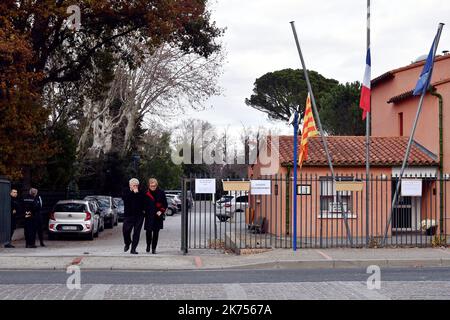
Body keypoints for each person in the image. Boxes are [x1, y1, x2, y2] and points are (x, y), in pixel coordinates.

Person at [122, 178, 146, 254]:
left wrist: (137, 193)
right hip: (129, 215)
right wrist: (132, 192)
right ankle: (127, 242)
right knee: (126, 230)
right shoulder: (126, 191)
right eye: (133, 185)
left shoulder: (141, 192)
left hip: (139, 215)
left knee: (136, 232)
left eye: (136, 185)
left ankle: (133, 249)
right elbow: (126, 199)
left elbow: (143, 201)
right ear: (130, 185)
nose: (135, 187)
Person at [144, 178, 168, 254]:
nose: (153, 187)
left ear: (156, 185)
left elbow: (165, 204)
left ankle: (153, 248)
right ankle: (148, 244)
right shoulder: (146, 193)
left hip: (158, 216)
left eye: (154, 186)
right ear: (149, 185)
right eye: (151, 186)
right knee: (148, 232)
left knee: (156, 233)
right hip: (149, 216)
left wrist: (161, 211)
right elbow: (143, 204)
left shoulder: (161, 193)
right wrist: (144, 210)